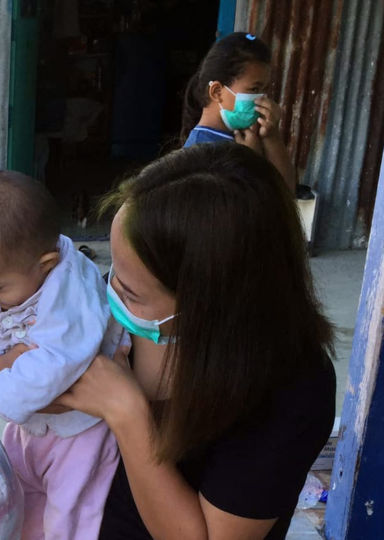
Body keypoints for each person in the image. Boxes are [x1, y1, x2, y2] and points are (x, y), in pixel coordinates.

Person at [41, 143, 335, 539]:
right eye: (112, 272)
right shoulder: (113, 319)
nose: (110, 296)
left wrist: (129, 415)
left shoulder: (291, 387)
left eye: (131, 295)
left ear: (209, 307)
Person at [0, 171, 126, 540]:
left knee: (67, 515)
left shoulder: (74, 296)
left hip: (78, 435)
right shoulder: (9, 278)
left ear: (47, 263)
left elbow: (57, 363)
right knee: (18, 497)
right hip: (30, 423)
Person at [180, 32, 297, 192]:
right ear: (217, 92)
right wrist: (250, 160)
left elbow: (287, 191)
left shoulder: (249, 137)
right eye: (254, 89)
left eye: (264, 90)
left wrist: (272, 136)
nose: (262, 99)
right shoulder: (201, 154)